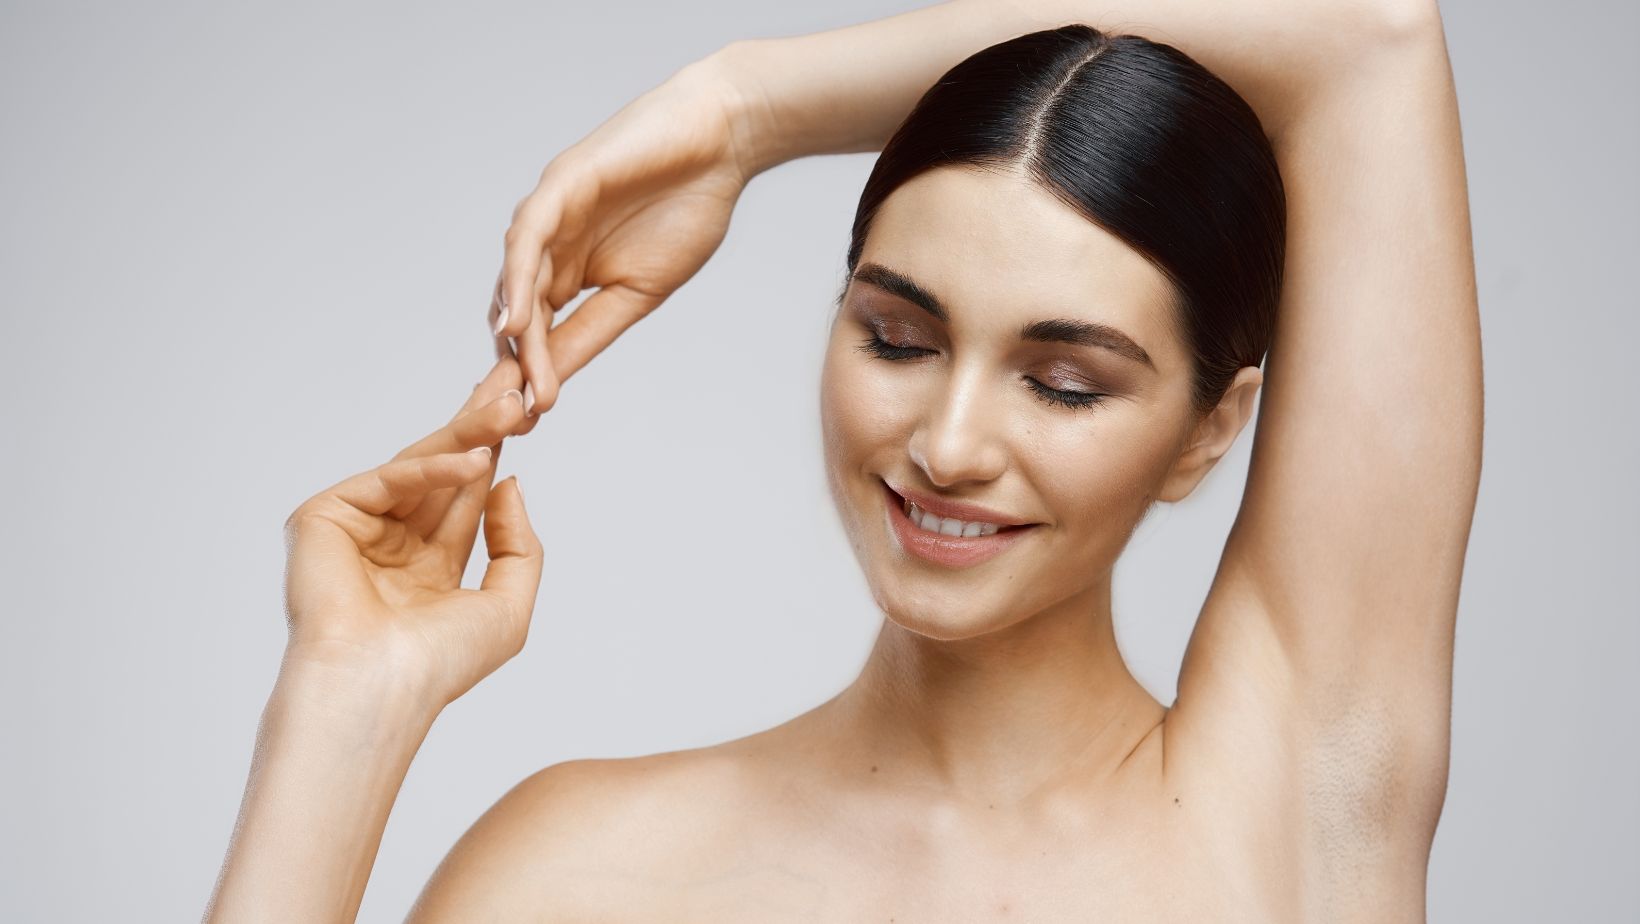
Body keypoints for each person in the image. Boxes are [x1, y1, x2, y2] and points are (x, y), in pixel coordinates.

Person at [205, 0, 1480, 920]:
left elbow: (1364, 37)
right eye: (896, 336)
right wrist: (341, 714)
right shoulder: (583, 870)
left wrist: (747, 109)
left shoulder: (1293, 811)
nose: (945, 444)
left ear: (1207, 427)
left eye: (1062, 381)